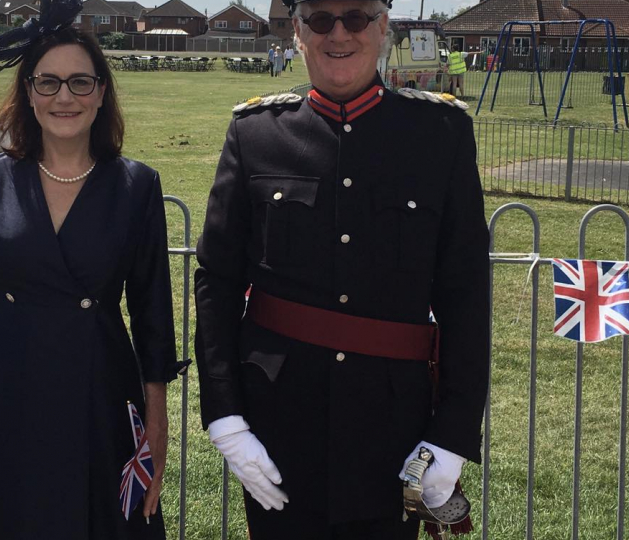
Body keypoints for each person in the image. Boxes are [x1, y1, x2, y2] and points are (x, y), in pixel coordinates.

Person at [194, 0, 490, 537]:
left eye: (355, 18)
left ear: (382, 29)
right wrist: (225, 419)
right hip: (277, 425)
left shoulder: (439, 135)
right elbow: (216, 278)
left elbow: (465, 292)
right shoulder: (255, 134)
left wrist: (453, 433)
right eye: (320, 20)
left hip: (393, 433)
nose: (339, 34)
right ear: (299, 34)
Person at [0, 1, 179, 538]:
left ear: (102, 92)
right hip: (4, 391)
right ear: (28, 93)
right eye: (48, 83)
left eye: (80, 82)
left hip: (101, 393)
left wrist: (156, 422)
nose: (64, 97)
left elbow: (154, 319)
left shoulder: (138, 187)